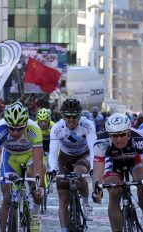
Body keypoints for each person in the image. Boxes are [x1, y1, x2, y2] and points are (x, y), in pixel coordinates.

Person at [0, 101, 44, 232]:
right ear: (7, 124)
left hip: (30, 157)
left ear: (26, 124)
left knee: (37, 191)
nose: (15, 132)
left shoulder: (34, 130)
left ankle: (35, 212)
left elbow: (38, 161)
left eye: (20, 128)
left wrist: (38, 185)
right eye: (12, 128)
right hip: (10, 157)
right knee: (6, 198)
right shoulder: (0, 129)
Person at [92, 113, 143, 231]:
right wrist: (97, 189)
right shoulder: (101, 142)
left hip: (134, 159)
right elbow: (97, 171)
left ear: (128, 132)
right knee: (114, 192)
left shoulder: (139, 139)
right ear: (109, 134)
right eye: (114, 136)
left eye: (122, 134)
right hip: (113, 162)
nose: (119, 139)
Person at [48, 98, 98, 229]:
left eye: (75, 116)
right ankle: (64, 229)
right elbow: (53, 153)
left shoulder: (87, 125)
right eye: (68, 116)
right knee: (63, 197)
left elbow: (94, 149)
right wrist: (53, 169)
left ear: (80, 115)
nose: (71, 119)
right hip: (65, 158)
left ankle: (86, 203)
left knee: (79, 173)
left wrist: (93, 168)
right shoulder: (57, 128)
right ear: (63, 116)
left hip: (83, 155)